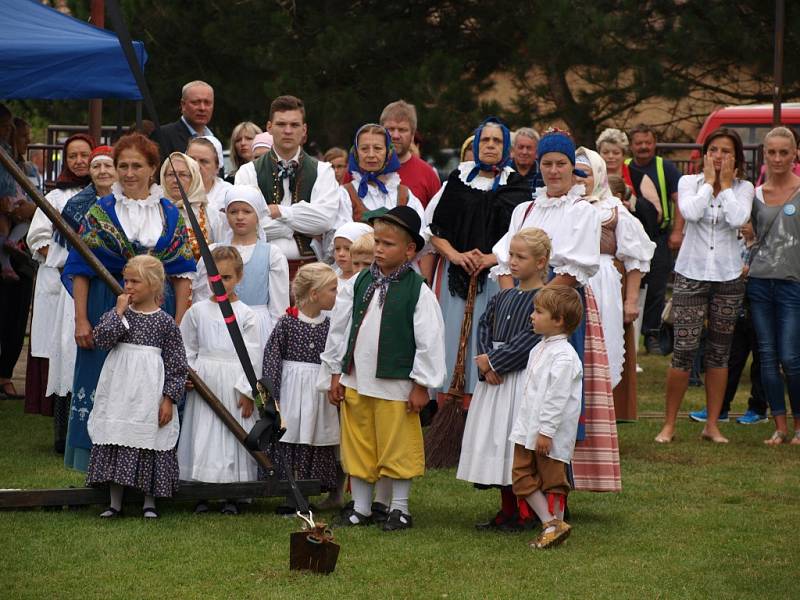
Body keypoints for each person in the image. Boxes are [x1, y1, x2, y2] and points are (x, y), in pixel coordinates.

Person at [493, 130, 620, 493]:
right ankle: (520, 487)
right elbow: (505, 259)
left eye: (560, 164)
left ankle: (557, 487)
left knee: (558, 395)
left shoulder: (583, 211)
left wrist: (537, 301)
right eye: (546, 164)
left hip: (561, 313)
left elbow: (574, 267)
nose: (553, 171)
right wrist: (511, 301)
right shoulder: (525, 209)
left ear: (572, 168)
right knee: (525, 393)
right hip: (526, 309)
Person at [62, 133, 196, 472]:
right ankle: (98, 466)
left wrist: (178, 325)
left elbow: (181, 274)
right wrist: (81, 319)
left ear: (153, 168)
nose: (129, 172)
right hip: (108, 305)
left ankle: (145, 468)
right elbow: (80, 268)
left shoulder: (169, 214)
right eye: (123, 165)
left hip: (157, 311)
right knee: (103, 382)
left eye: (138, 165)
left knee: (149, 386)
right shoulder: (100, 210)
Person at [319, 206, 446, 530]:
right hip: (358, 380)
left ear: (409, 250)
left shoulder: (417, 290)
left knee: (397, 446)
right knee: (360, 444)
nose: (379, 249)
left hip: (395, 385)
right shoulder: (360, 281)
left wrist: (422, 384)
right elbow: (340, 328)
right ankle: (361, 507)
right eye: (377, 241)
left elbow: (429, 340)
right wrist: (336, 371)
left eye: (388, 244)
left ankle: (399, 508)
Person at [655, 128, 753, 444]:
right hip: (690, 273)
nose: (719, 156)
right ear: (705, 154)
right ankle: (669, 424)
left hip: (727, 276)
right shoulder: (689, 183)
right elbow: (691, 213)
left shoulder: (744, 188)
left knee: (719, 352)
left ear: (736, 157)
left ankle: (712, 425)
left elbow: (739, 218)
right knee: (684, 348)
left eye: (726, 151)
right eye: (714, 150)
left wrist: (724, 187)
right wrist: (710, 184)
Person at [425, 117, 530, 406]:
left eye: (497, 141)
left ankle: (482, 406)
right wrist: (456, 256)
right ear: (476, 144)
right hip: (456, 277)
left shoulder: (516, 187)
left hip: (497, 275)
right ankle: (449, 407)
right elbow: (433, 230)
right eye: (485, 140)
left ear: (506, 147)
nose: (491, 145)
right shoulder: (457, 180)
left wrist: (492, 258)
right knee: (452, 341)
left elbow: (523, 236)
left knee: (486, 336)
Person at [457, 227, 550, 532]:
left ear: (540, 262)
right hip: (495, 383)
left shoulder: (544, 300)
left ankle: (525, 511)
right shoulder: (504, 296)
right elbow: (484, 325)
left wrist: (497, 362)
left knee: (516, 446)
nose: (512, 261)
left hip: (520, 381)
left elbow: (531, 338)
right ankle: (506, 509)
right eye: (511, 254)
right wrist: (485, 363)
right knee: (497, 442)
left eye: (521, 256)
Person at [27, 145, 116, 453]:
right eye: (97, 166)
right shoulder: (74, 206)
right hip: (76, 290)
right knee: (72, 357)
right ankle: (66, 436)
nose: (102, 171)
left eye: (109, 165)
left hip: (115, 289)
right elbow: (58, 250)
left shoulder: (126, 204)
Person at [85, 255, 187, 518]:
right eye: (125, 280)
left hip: (148, 392)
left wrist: (168, 399)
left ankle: (149, 501)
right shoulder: (120, 315)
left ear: (153, 285)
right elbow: (102, 339)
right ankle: (114, 502)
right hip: (120, 388)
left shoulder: (165, 323)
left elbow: (177, 364)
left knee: (149, 437)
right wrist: (118, 311)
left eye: (135, 281)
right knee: (118, 433)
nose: (127, 286)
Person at [178, 247, 261, 514]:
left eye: (226, 277)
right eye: (215, 278)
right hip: (205, 381)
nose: (220, 283)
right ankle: (201, 489)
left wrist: (248, 391)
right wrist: (189, 374)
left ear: (238, 277)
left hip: (233, 381)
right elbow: (187, 347)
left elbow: (254, 354)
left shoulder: (247, 314)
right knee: (203, 432)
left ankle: (232, 494)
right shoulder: (197, 311)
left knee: (232, 434)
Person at [575, 148, 654, 420]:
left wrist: (630, 301)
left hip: (603, 285)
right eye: (573, 173)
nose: (578, 179)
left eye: (583, 174)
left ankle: (599, 417)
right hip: (566, 283)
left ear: (596, 175)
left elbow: (636, 257)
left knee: (601, 349)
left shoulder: (613, 208)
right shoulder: (559, 205)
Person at [25, 133, 94, 416]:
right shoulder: (55, 196)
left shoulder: (107, 194)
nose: (79, 161)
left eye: (84, 155)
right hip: (58, 277)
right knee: (56, 340)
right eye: (72, 156)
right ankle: (55, 408)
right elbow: (38, 238)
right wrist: (69, 264)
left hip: (91, 281)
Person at [510, 285, 584, 549]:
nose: (532, 316)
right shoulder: (538, 349)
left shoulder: (565, 357)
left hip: (547, 433)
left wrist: (546, 431)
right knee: (520, 475)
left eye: (538, 311)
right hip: (527, 428)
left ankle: (554, 528)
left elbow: (557, 398)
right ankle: (550, 523)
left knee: (553, 479)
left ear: (558, 320)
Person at [234, 95, 340, 279]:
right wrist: (298, 227)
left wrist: (279, 212)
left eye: (294, 125)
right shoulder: (248, 172)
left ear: (304, 129)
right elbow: (246, 225)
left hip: (309, 269)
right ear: (269, 128)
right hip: (260, 267)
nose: (288, 131)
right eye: (281, 124)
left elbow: (325, 220)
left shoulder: (323, 171)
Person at [262, 262, 340, 511]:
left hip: (317, 391)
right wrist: (271, 396)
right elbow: (272, 357)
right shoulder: (287, 323)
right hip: (292, 390)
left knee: (313, 436)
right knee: (291, 437)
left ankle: (308, 491)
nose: (336, 295)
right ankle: (290, 494)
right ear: (314, 293)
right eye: (332, 290)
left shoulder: (330, 325)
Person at [746, 126, 800, 446]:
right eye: (772, 152)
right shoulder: (755, 195)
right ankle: (779, 426)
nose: (778, 158)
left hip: (793, 283)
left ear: (795, 154)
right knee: (766, 356)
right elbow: (749, 237)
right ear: (764, 154)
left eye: (784, 152)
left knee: (791, 357)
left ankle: (798, 425)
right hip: (760, 281)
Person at [192, 185, 289, 348]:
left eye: (246, 211)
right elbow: (202, 297)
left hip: (258, 329)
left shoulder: (272, 254)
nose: (239, 217)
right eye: (233, 211)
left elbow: (279, 307)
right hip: (219, 322)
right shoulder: (213, 252)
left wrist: (275, 344)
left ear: (257, 215)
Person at [625, 124, 685, 355]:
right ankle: (628, 334)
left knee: (657, 288)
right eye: (638, 143)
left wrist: (677, 232)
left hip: (657, 237)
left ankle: (651, 334)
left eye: (647, 143)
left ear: (654, 143)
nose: (643, 147)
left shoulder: (665, 168)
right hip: (629, 239)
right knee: (631, 287)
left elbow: (679, 200)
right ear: (631, 145)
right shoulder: (625, 167)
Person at [0, 104, 36, 400]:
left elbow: (36, 205)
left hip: (20, 254)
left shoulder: (25, 167)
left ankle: (5, 372)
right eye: (12, 131)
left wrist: (29, 211)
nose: (19, 139)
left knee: (14, 314)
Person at [339, 123, 426, 227]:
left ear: (388, 152)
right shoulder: (345, 194)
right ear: (356, 154)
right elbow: (340, 237)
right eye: (364, 149)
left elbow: (420, 233)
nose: (371, 154)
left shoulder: (405, 195)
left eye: (377, 148)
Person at [160, 151, 224, 260]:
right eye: (171, 174)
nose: (176, 180)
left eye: (183, 174)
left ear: (194, 177)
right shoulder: (156, 212)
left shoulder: (211, 215)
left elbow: (221, 254)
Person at [150, 80, 224, 171]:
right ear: (183, 105)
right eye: (196, 102)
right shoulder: (163, 136)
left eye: (207, 103)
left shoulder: (214, 140)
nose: (202, 108)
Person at [186, 137, 232, 214]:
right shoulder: (172, 191)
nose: (196, 165)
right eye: (191, 159)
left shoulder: (228, 194)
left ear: (217, 167)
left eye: (204, 161)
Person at [511, 127, 540, 192]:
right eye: (520, 147)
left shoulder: (544, 174)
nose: (524, 152)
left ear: (537, 152)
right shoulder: (502, 173)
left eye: (529, 148)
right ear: (513, 150)